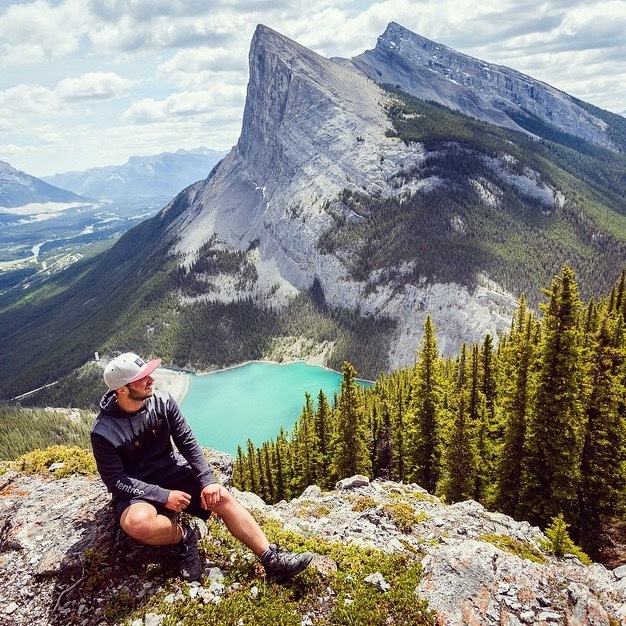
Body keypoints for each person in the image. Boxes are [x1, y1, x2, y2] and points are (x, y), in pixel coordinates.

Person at [90, 352, 314, 582]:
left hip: (170, 471)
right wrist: (163, 495)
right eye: (142, 378)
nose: (151, 379)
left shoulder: (163, 402)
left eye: (149, 373)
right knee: (137, 523)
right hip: (136, 488)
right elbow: (116, 480)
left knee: (221, 497)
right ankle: (185, 537)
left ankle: (271, 558)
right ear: (122, 390)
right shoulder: (103, 432)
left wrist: (207, 480)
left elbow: (186, 440)